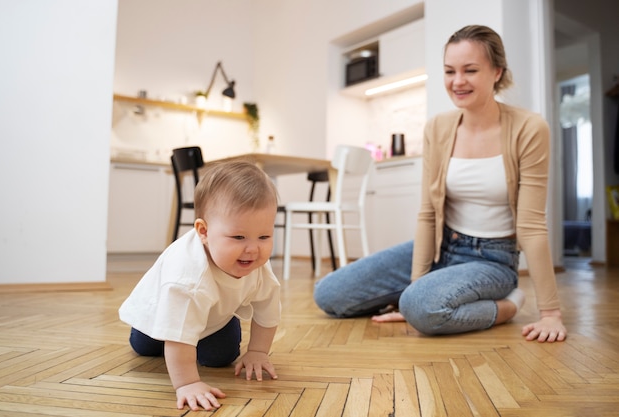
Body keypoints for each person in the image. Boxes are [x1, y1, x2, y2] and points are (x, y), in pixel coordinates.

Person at [314, 25, 567, 343]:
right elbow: (428, 215)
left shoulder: (529, 128)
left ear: (497, 72)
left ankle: (509, 305)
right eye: (449, 71)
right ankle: (425, 294)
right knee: (329, 294)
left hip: (492, 259)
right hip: (441, 245)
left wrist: (551, 314)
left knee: (421, 307)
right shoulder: (438, 127)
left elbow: (531, 225)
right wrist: (415, 289)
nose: (457, 81)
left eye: (470, 70)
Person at [119, 160, 282, 412]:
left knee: (221, 357)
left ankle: (200, 336)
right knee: (146, 347)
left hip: (212, 316)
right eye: (238, 237)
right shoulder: (187, 278)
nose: (253, 248)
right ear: (203, 231)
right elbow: (175, 334)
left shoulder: (256, 262)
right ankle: (164, 345)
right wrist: (187, 383)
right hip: (158, 316)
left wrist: (259, 351)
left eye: (264, 236)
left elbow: (267, 310)